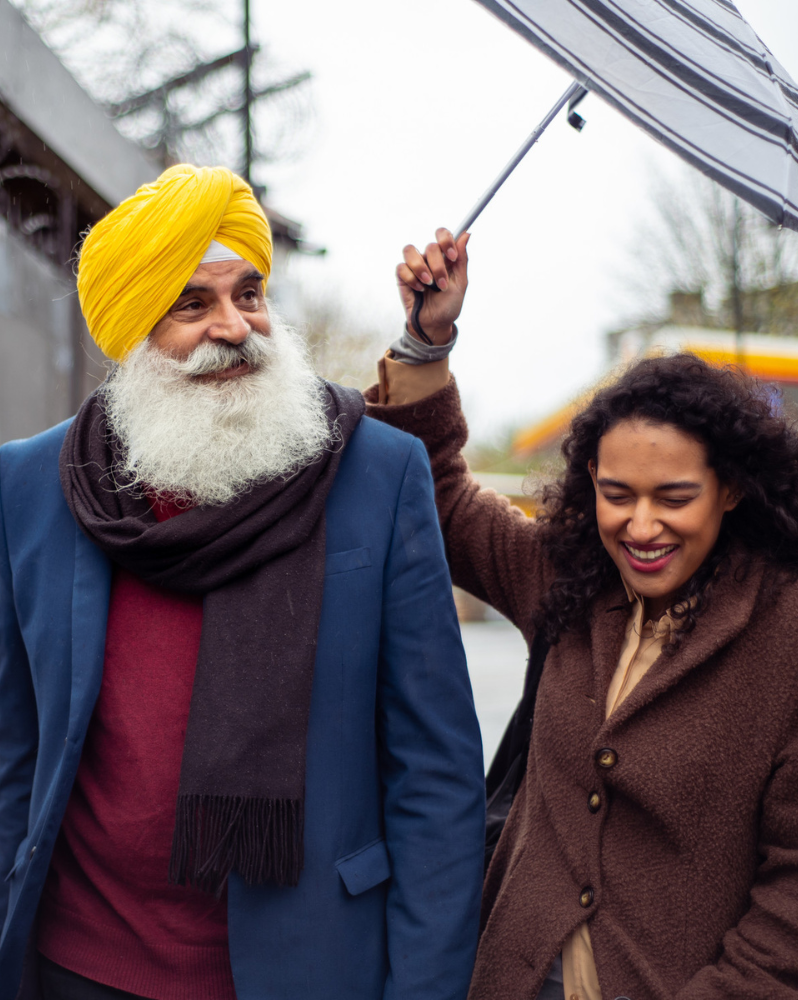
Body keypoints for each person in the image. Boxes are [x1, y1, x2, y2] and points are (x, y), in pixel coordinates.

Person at [0, 168, 485, 1000]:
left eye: (250, 295)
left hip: (309, 968)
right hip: (75, 965)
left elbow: (435, 778)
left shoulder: (376, 472)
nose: (236, 328)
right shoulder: (31, 486)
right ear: (131, 331)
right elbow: (12, 750)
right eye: (193, 305)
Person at [365, 227, 798, 1000]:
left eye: (675, 498)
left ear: (731, 489)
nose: (640, 526)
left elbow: (788, 908)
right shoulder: (567, 578)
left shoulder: (785, 634)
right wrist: (426, 342)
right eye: (616, 494)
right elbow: (436, 494)